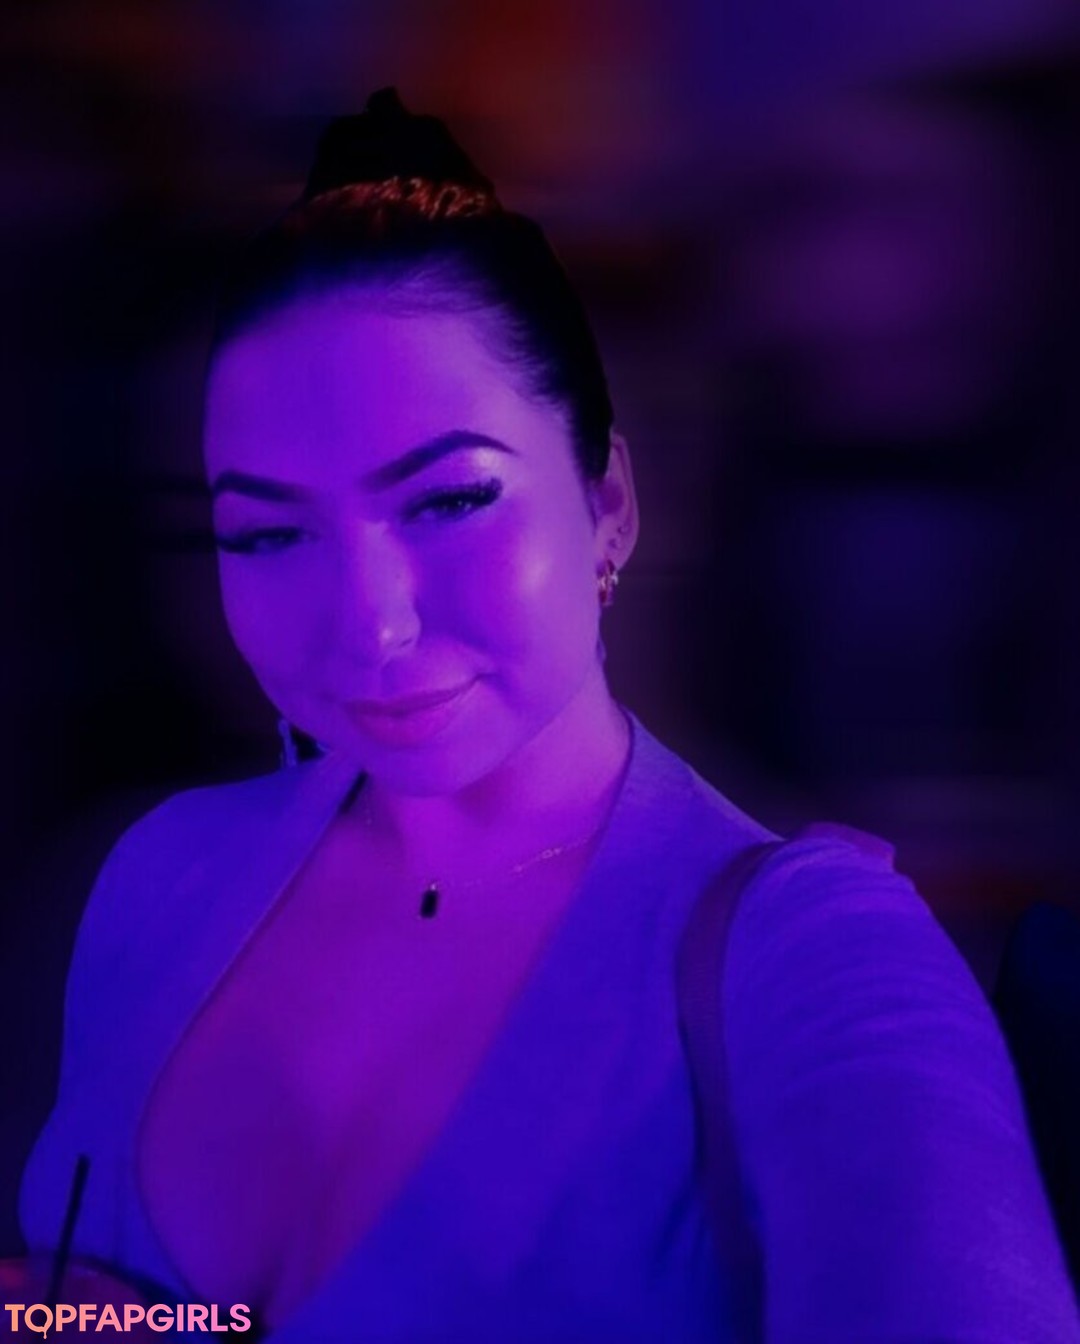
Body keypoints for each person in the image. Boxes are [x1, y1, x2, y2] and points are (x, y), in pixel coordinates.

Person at [14, 89, 1079, 1342]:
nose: (372, 626)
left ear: (608, 503)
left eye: (449, 500)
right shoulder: (156, 875)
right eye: (267, 533)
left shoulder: (812, 956)